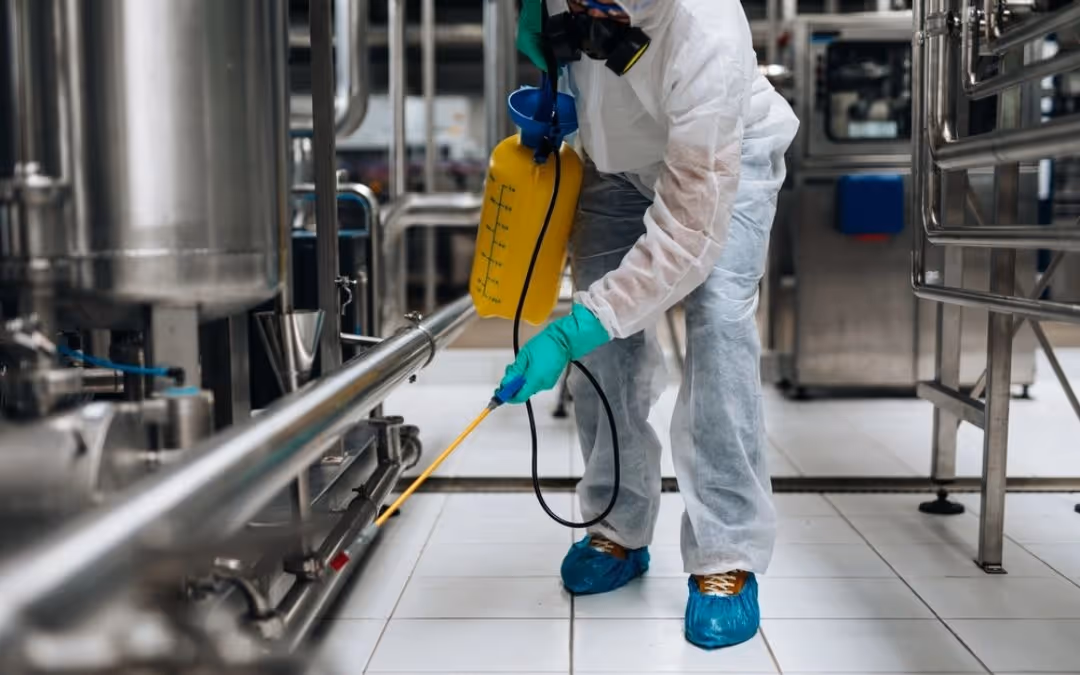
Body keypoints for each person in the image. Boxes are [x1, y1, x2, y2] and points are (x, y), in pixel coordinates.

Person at [498, 0, 799, 650]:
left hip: (720, 162)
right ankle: (617, 520)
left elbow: (688, 233)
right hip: (612, 162)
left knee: (717, 329)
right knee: (607, 359)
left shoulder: (707, 28)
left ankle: (726, 554)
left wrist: (574, 327)